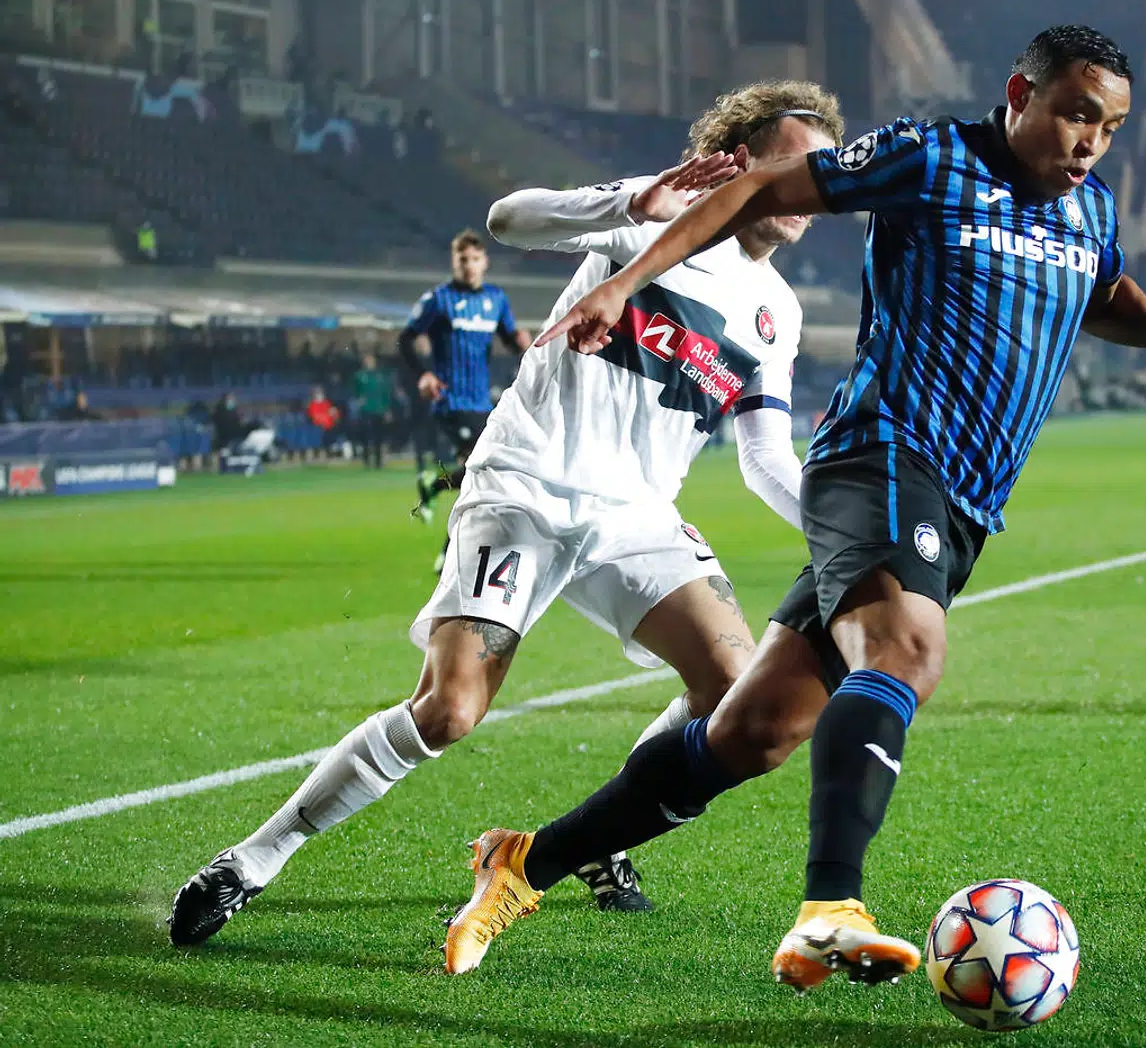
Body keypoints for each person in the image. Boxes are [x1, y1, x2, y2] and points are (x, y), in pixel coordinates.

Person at [440, 25, 1146, 990]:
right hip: (882, 456)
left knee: (754, 734)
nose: (1091, 141)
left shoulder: (1086, 210)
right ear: (1022, 95)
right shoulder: (930, 159)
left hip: (965, 502)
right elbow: (759, 189)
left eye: (1110, 126)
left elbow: (1101, 294)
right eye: (1076, 114)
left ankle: (523, 862)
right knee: (905, 653)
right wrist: (627, 281)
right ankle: (828, 910)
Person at [167, 80, 846, 949]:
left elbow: (764, 456)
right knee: (448, 711)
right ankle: (256, 857)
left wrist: (846, 532)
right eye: (792, 162)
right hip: (527, 485)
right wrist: (629, 200)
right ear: (740, 159)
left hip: (636, 517)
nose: (808, 186)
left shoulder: (779, 312)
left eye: (820, 170)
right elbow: (508, 219)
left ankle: (598, 839)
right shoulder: (654, 217)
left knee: (734, 695)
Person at [404, 232, 532, 574]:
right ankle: (450, 552)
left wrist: (520, 342)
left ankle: (434, 487)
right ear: (454, 262)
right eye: (463, 260)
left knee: (481, 473)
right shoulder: (438, 300)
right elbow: (406, 338)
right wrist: (424, 374)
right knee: (484, 470)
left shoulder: (496, 299)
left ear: (484, 262)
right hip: (450, 399)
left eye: (475, 259)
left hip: (481, 402)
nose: (469, 266)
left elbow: (507, 338)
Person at [352, 351, 391, 469]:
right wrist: (359, 400)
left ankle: (378, 462)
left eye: (371, 360)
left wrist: (386, 409)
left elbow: (385, 393)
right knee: (366, 436)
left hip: (379, 409)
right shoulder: (360, 375)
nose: (369, 362)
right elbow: (355, 391)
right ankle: (366, 461)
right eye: (367, 360)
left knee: (379, 437)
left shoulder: (380, 375)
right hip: (366, 409)